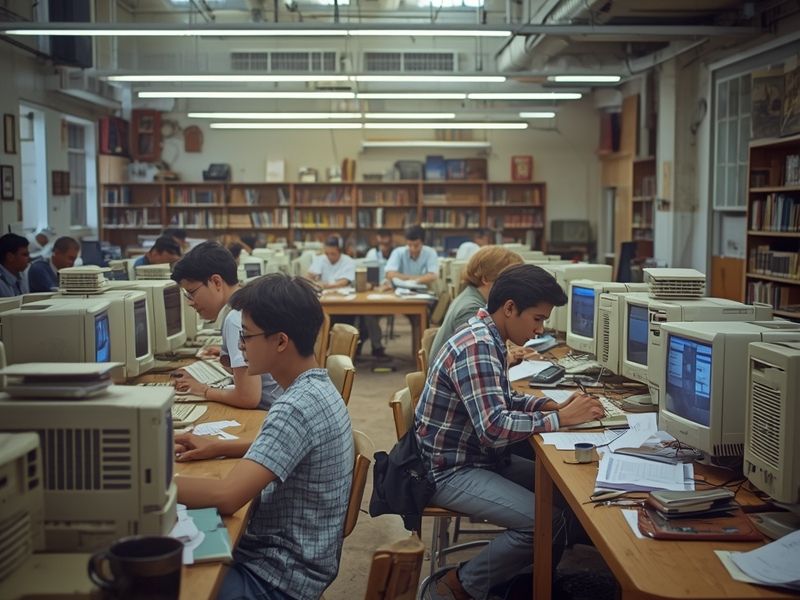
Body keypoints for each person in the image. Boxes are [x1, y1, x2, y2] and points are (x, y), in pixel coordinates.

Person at [415, 263, 604, 600]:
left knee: (565, 497)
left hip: (475, 457)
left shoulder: (487, 336)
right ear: (510, 308)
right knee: (547, 521)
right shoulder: (477, 346)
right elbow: (493, 428)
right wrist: (561, 421)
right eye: (537, 319)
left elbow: (500, 399)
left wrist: (550, 407)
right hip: (447, 470)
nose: (540, 329)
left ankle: (534, 583)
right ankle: (456, 586)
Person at [173, 274, 353, 600]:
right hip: (299, 565)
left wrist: (144, 484)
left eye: (246, 338)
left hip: (276, 579)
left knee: (163, 582)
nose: (240, 348)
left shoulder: (296, 406)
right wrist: (219, 446)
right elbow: (292, 448)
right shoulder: (315, 388)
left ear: (281, 341)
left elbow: (227, 495)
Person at [170, 241, 282, 409]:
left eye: (192, 292)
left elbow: (248, 397)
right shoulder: (247, 303)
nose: (190, 303)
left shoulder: (236, 319)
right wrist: (227, 355)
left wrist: (203, 390)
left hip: (268, 413)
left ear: (216, 282)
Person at [429, 245, 523, 362]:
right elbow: (476, 356)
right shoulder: (472, 309)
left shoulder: (472, 295)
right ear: (485, 279)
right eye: (509, 280)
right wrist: (509, 358)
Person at [358, 229, 395, 360]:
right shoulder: (372, 253)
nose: (384, 244)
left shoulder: (396, 254)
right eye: (381, 240)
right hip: (374, 291)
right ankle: (376, 346)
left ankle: (368, 343)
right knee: (367, 313)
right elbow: (369, 275)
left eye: (386, 240)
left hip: (393, 291)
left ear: (391, 240)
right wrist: (373, 285)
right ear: (378, 240)